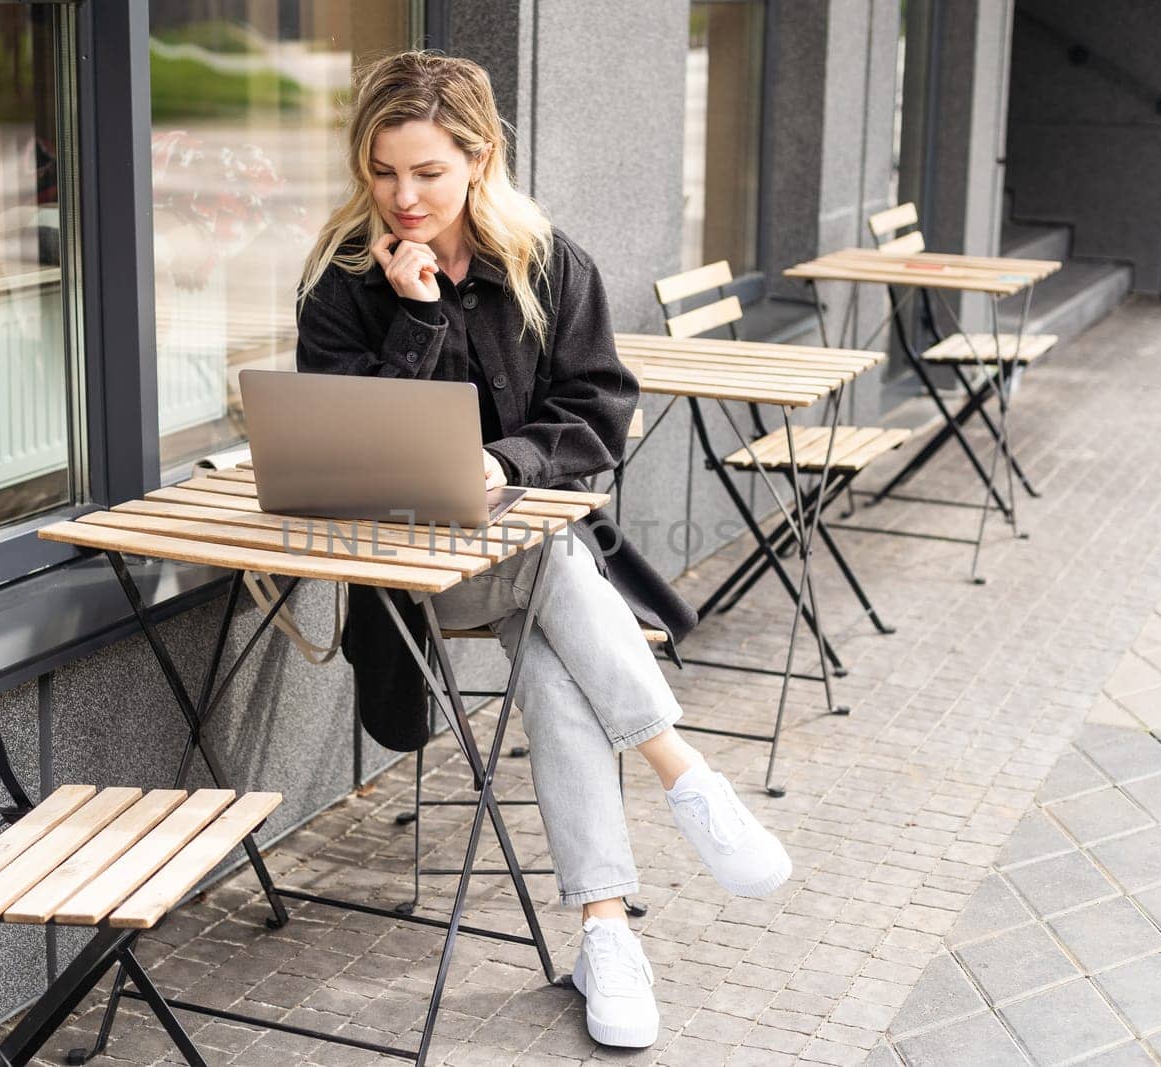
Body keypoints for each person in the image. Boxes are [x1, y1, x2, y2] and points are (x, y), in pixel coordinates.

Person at [296, 51, 792, 1049]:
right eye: (384, 171)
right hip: (407, 578)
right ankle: (683, 772)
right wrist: (419, 318)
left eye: (427, 172)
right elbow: (345, 447)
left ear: (479, 160)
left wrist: (503, 464)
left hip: (526, 562)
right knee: (564, 565)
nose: (401, 196)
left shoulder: (548, 263)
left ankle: (605, 932)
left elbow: (601, 412)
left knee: (557, 626)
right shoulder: (344, 279)